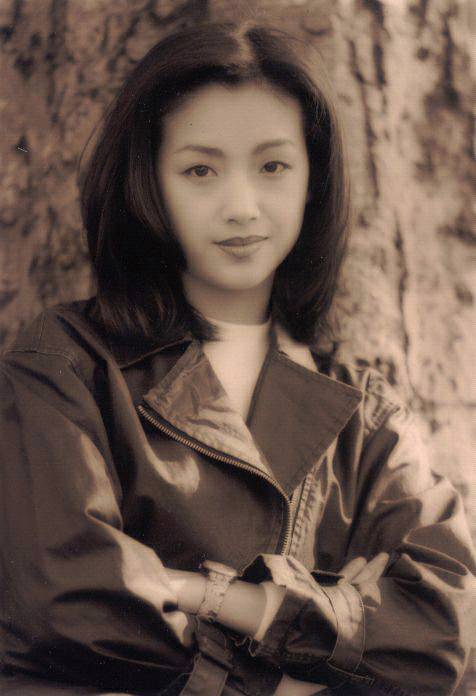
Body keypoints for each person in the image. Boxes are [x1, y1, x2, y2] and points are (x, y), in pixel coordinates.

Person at [0, 20, 474, 696]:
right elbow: (71, 603)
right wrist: (297, 667)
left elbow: (442, 633)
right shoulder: (66, 363)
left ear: (312, 179)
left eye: (273, 166)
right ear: (149, 183)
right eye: (200, 170)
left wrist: (210, 595)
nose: (242, 207)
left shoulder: (367, 422)